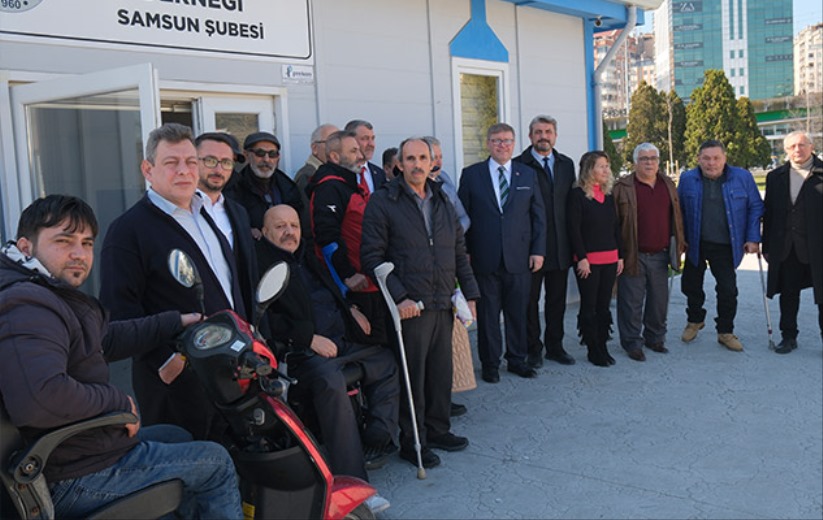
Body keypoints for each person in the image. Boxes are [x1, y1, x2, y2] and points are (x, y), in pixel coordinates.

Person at [0, 195, 242, 519]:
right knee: (215, 462)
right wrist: (117, 402)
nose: (79, 254)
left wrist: (174, 322)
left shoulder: (45, 293)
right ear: (26, 247)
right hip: (72, 476)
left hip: (78, 449)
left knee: (176, 435)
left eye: (86, 243)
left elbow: (105, 338)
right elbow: (41, 398)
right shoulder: (29, 305)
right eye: (63, 241)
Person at [100, 123, 252, 441]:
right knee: (190, 473)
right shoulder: (128, 230)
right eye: (171, 163)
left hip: (227, 368)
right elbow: (119, 312)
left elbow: (226, 283)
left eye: (191, 162)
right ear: (148, 169)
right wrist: (166, 360)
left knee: (234, 464)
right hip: (177, 382)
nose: (184, 171)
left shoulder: (205, 213)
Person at [256, 204, 396, 514]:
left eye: (293, 225)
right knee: (331, 383)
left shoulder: (307, 256)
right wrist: (308, 339)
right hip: (302, 355)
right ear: (265, 233)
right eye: (280, 226)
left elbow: (333, 292)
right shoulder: (261, 265)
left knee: (386, 360)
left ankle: (377, 436)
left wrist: (352, 310)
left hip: (341, 342)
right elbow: (264, 321)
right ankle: (355, 483)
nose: (289, 231)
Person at [361, 137, 480, 469]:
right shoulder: (383, 201)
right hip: (410, 306)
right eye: (409, 158)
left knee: (440, 374)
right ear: (399, 163)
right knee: (413, 377)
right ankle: (414, 441)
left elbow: (458, 251)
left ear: (432, 163)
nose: (416, 164)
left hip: (442, 299)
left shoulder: (442, 197)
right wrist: (399, 297)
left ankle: (438, 430)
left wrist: (469, 294)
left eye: (422, 158)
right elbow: (371, 256)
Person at [458, 123, 546, 383]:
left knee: (517, 313)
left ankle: (517, 360)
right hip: (484, 259)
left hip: (519, 258)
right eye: (497, 140)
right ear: (488, 143)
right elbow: (462, 219)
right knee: (487, 316)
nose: (502, 145)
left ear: (515, 143)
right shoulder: (472, 175)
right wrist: (465, 253)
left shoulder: (527, 175)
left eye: (507, 141)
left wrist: (538, 251)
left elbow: (538, 217)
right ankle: (490, 364)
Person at [678, 140, 764, 351]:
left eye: (716, 158)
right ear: (698, 159)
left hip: (726, 244)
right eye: (706, 158)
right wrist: (678, 238)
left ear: (725, 158)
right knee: (690, 285)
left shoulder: (742, 177)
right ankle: (695, 319)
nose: (711, 163)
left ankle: (725, 331)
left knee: (727, 289)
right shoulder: (687, 178)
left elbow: (755, 207)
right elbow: (677, 211)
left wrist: (753, 238)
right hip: (696, 242)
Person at [308, 130, 387, 345]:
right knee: (368, 347)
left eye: (359, 150)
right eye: (353, 151)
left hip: (371, 283)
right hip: (355, 288)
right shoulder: (329, 187)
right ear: (334, 157)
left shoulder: (350, 184)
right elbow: (325, 236)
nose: (360, 155)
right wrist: (347, 276)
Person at [513, 115, 577, 368]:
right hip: (531, 248)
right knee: (529, 302)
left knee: (556, 302)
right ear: (530, 137)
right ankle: (533, 349)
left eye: (548, 131)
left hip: (561, 246)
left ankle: (555, 347)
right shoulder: (519, 165)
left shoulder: (565, 164)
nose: (543, 136)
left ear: (555, 135)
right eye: (538, 132)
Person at [614, 143, 685, 362]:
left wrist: (680, 243)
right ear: (635, 162)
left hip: (661, 254)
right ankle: (632, 343)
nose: (649, 162)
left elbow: (676, 217)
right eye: (643, 158)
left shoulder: (667, 184)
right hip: (633, 254)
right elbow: (613, 223)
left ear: (658, 161)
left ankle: (655, 339)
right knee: (631, 303)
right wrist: (618, 254)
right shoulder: (622, 187)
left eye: (653, 158)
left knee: (658, 302)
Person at [762, 131, 823, 353]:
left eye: (802, 145)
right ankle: (788, 337)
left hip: (818, 247)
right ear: (786, 150)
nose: (797, 150)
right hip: (788, 246)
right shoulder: (775, 177)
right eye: (792, 146)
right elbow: (768, 214)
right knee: (788, 295)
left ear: (811, 146)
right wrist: (766, 246)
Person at [568, 151, 623, 367]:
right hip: (588, 261)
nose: (606, 170)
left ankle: (603, 345)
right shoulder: (577, 195)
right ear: (589, 169)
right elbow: (574, 230)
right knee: (589, 305)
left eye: (607, 166)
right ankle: (592, 349)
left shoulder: (608, 195)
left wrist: (619, 256)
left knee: (604, 305)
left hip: (610, 258)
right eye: (601, 166)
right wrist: (581, 258)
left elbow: (614, 228)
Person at [195, 132, 259, 312]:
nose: (218, 169)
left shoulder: (238, 212)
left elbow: (249, 274)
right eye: (210, 160)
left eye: (226, 162)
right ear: (193, 161)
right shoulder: (181, 211)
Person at [224, 131, 307, 239]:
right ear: (246, 155)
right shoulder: (234, 188)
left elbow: (304, 227)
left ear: (278, 157)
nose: (267, 159)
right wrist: (246, 231)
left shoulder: (288, 187)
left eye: (272, 154)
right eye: (260, 153)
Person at [344, 119, 388, 195]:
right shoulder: (341, 173)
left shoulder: (379, 173)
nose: (371, 144)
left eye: (373, 138)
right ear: (350, 141)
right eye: (365, 138)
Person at [295, 123, 339, 195]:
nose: (336, 148)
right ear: (314, 148)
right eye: (330, 142)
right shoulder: (307, 176)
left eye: (339, 143)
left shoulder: (340, 172)